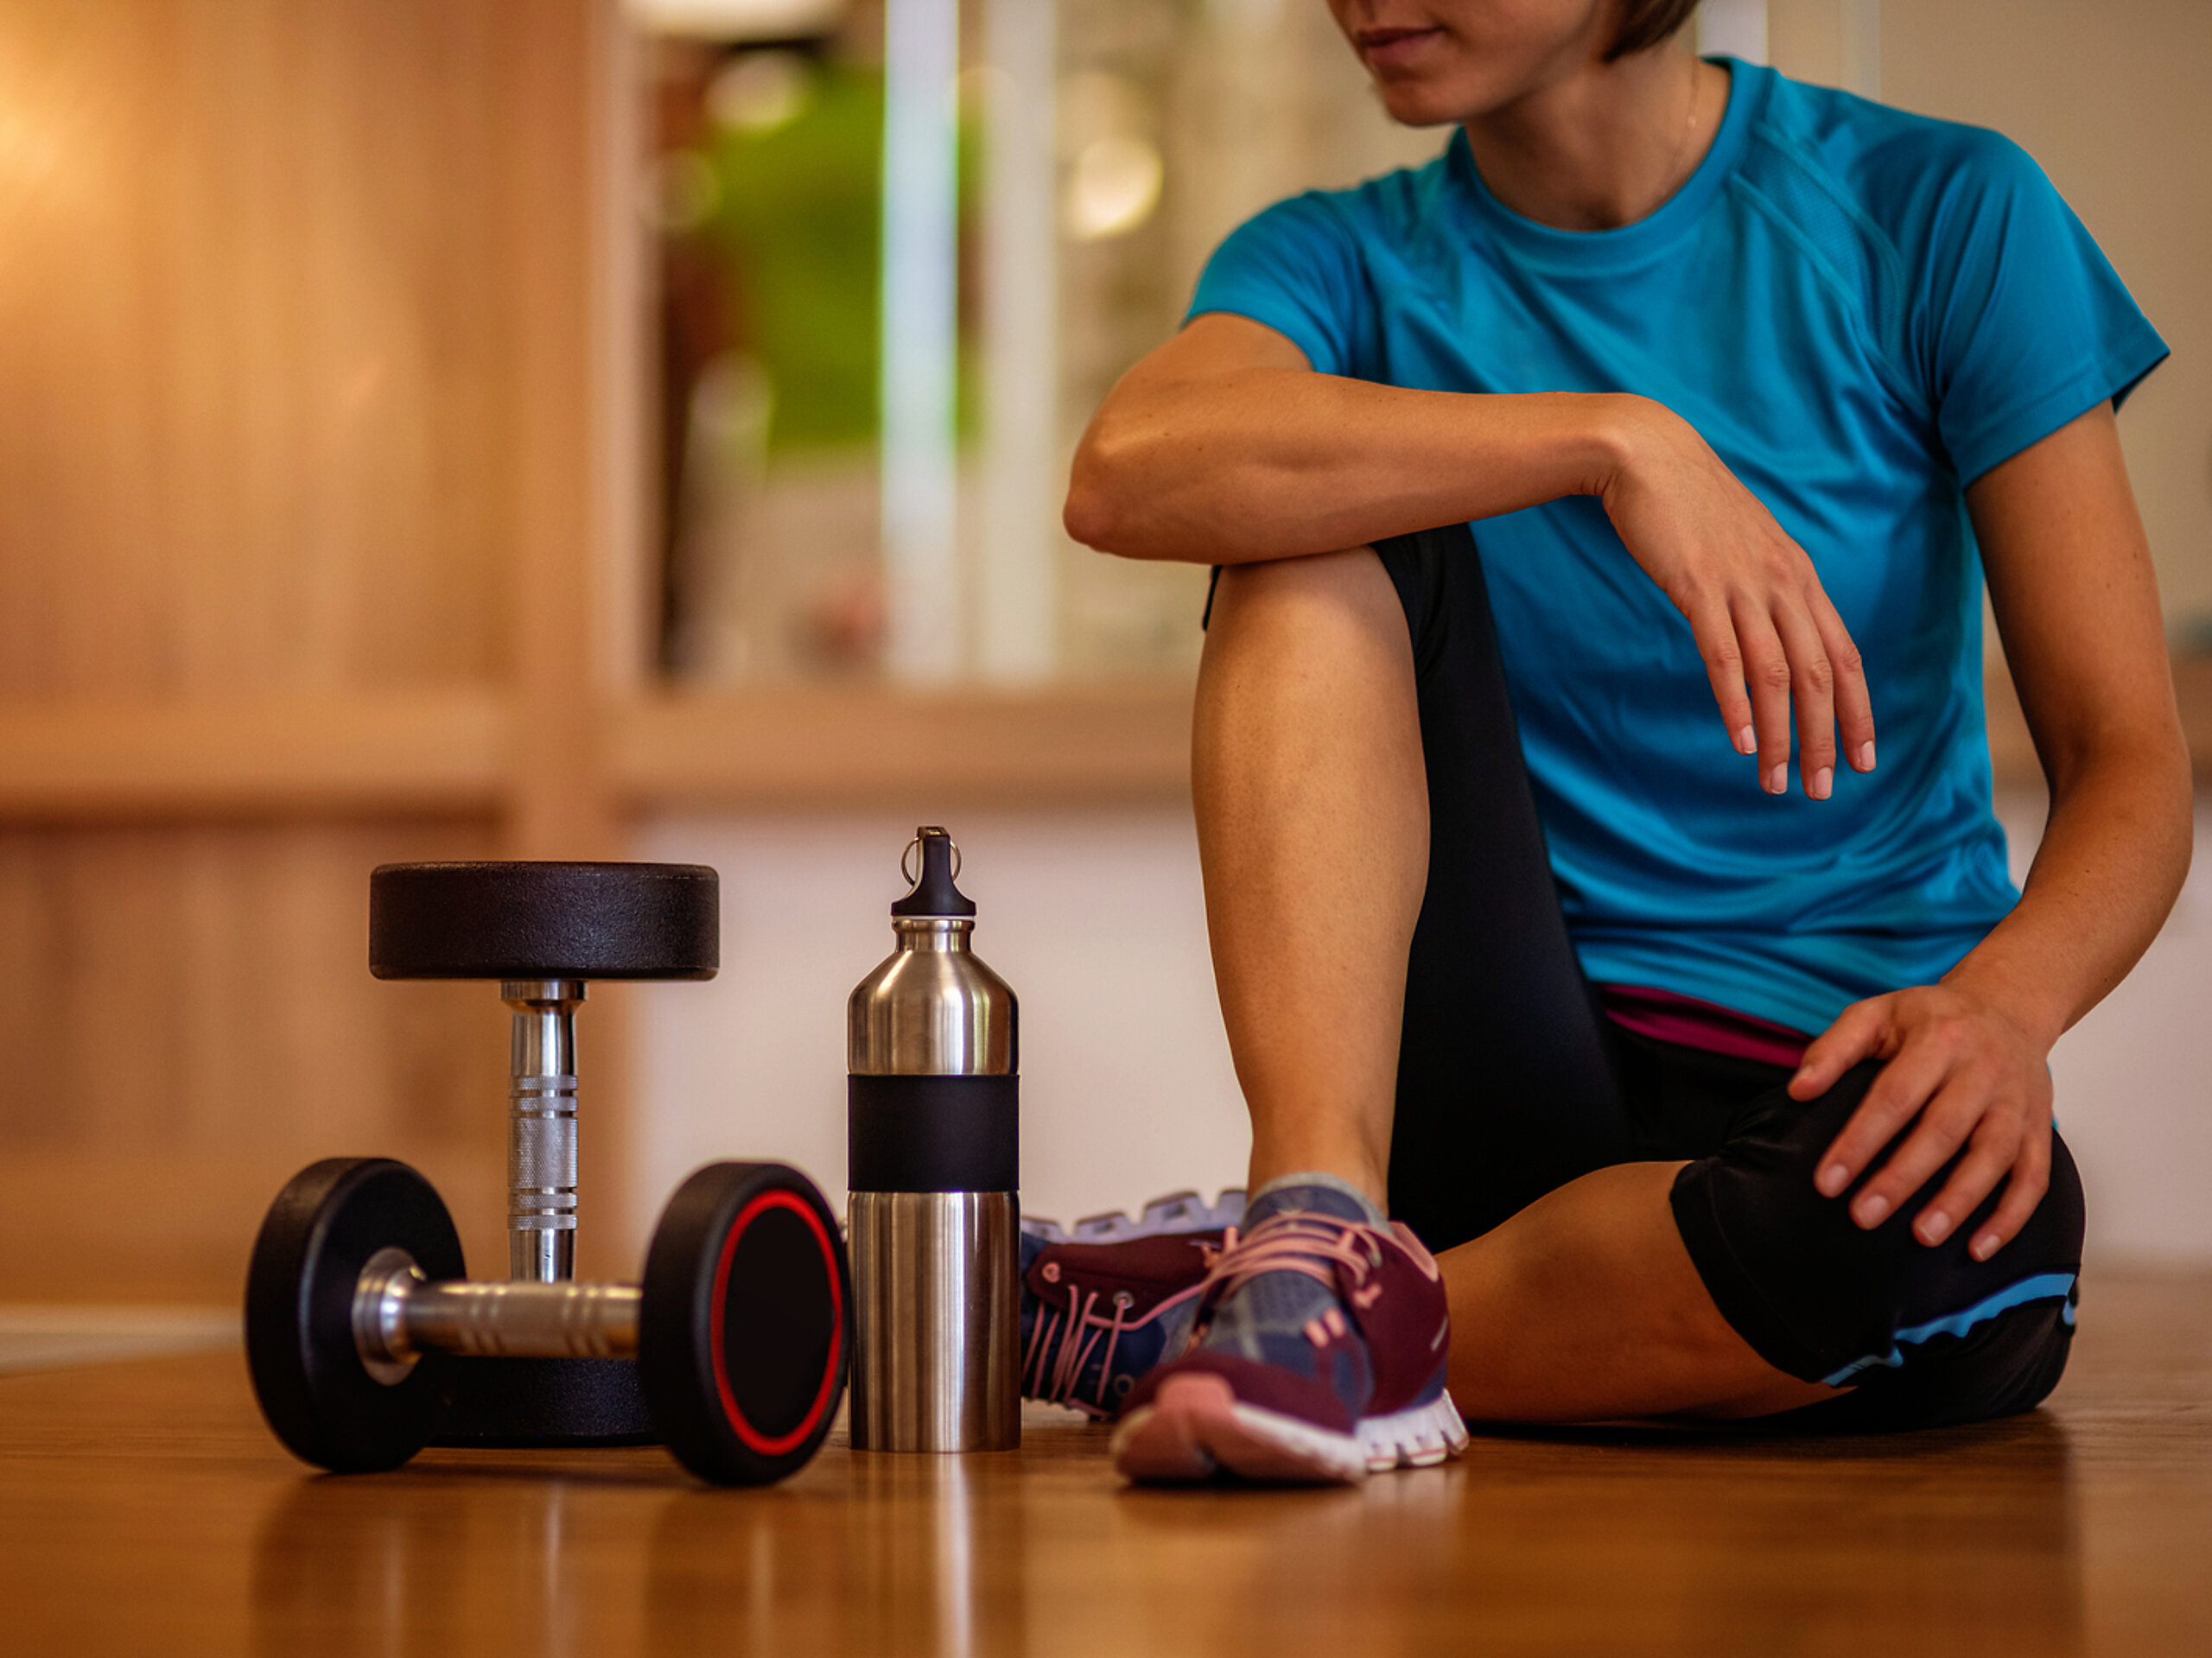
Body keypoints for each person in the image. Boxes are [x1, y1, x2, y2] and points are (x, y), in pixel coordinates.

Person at [1022, 0, 2191, 1483]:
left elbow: (2129, 759)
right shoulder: (1331, 256)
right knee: (1290, 512)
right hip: (1489, 1075)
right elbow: (1128, 473)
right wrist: (1616, 441)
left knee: (1973, 1241)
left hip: (1821, 1086)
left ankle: (1266, 1314)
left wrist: (2003, 1015)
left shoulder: (1940, 208)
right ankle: (1315, 1220)